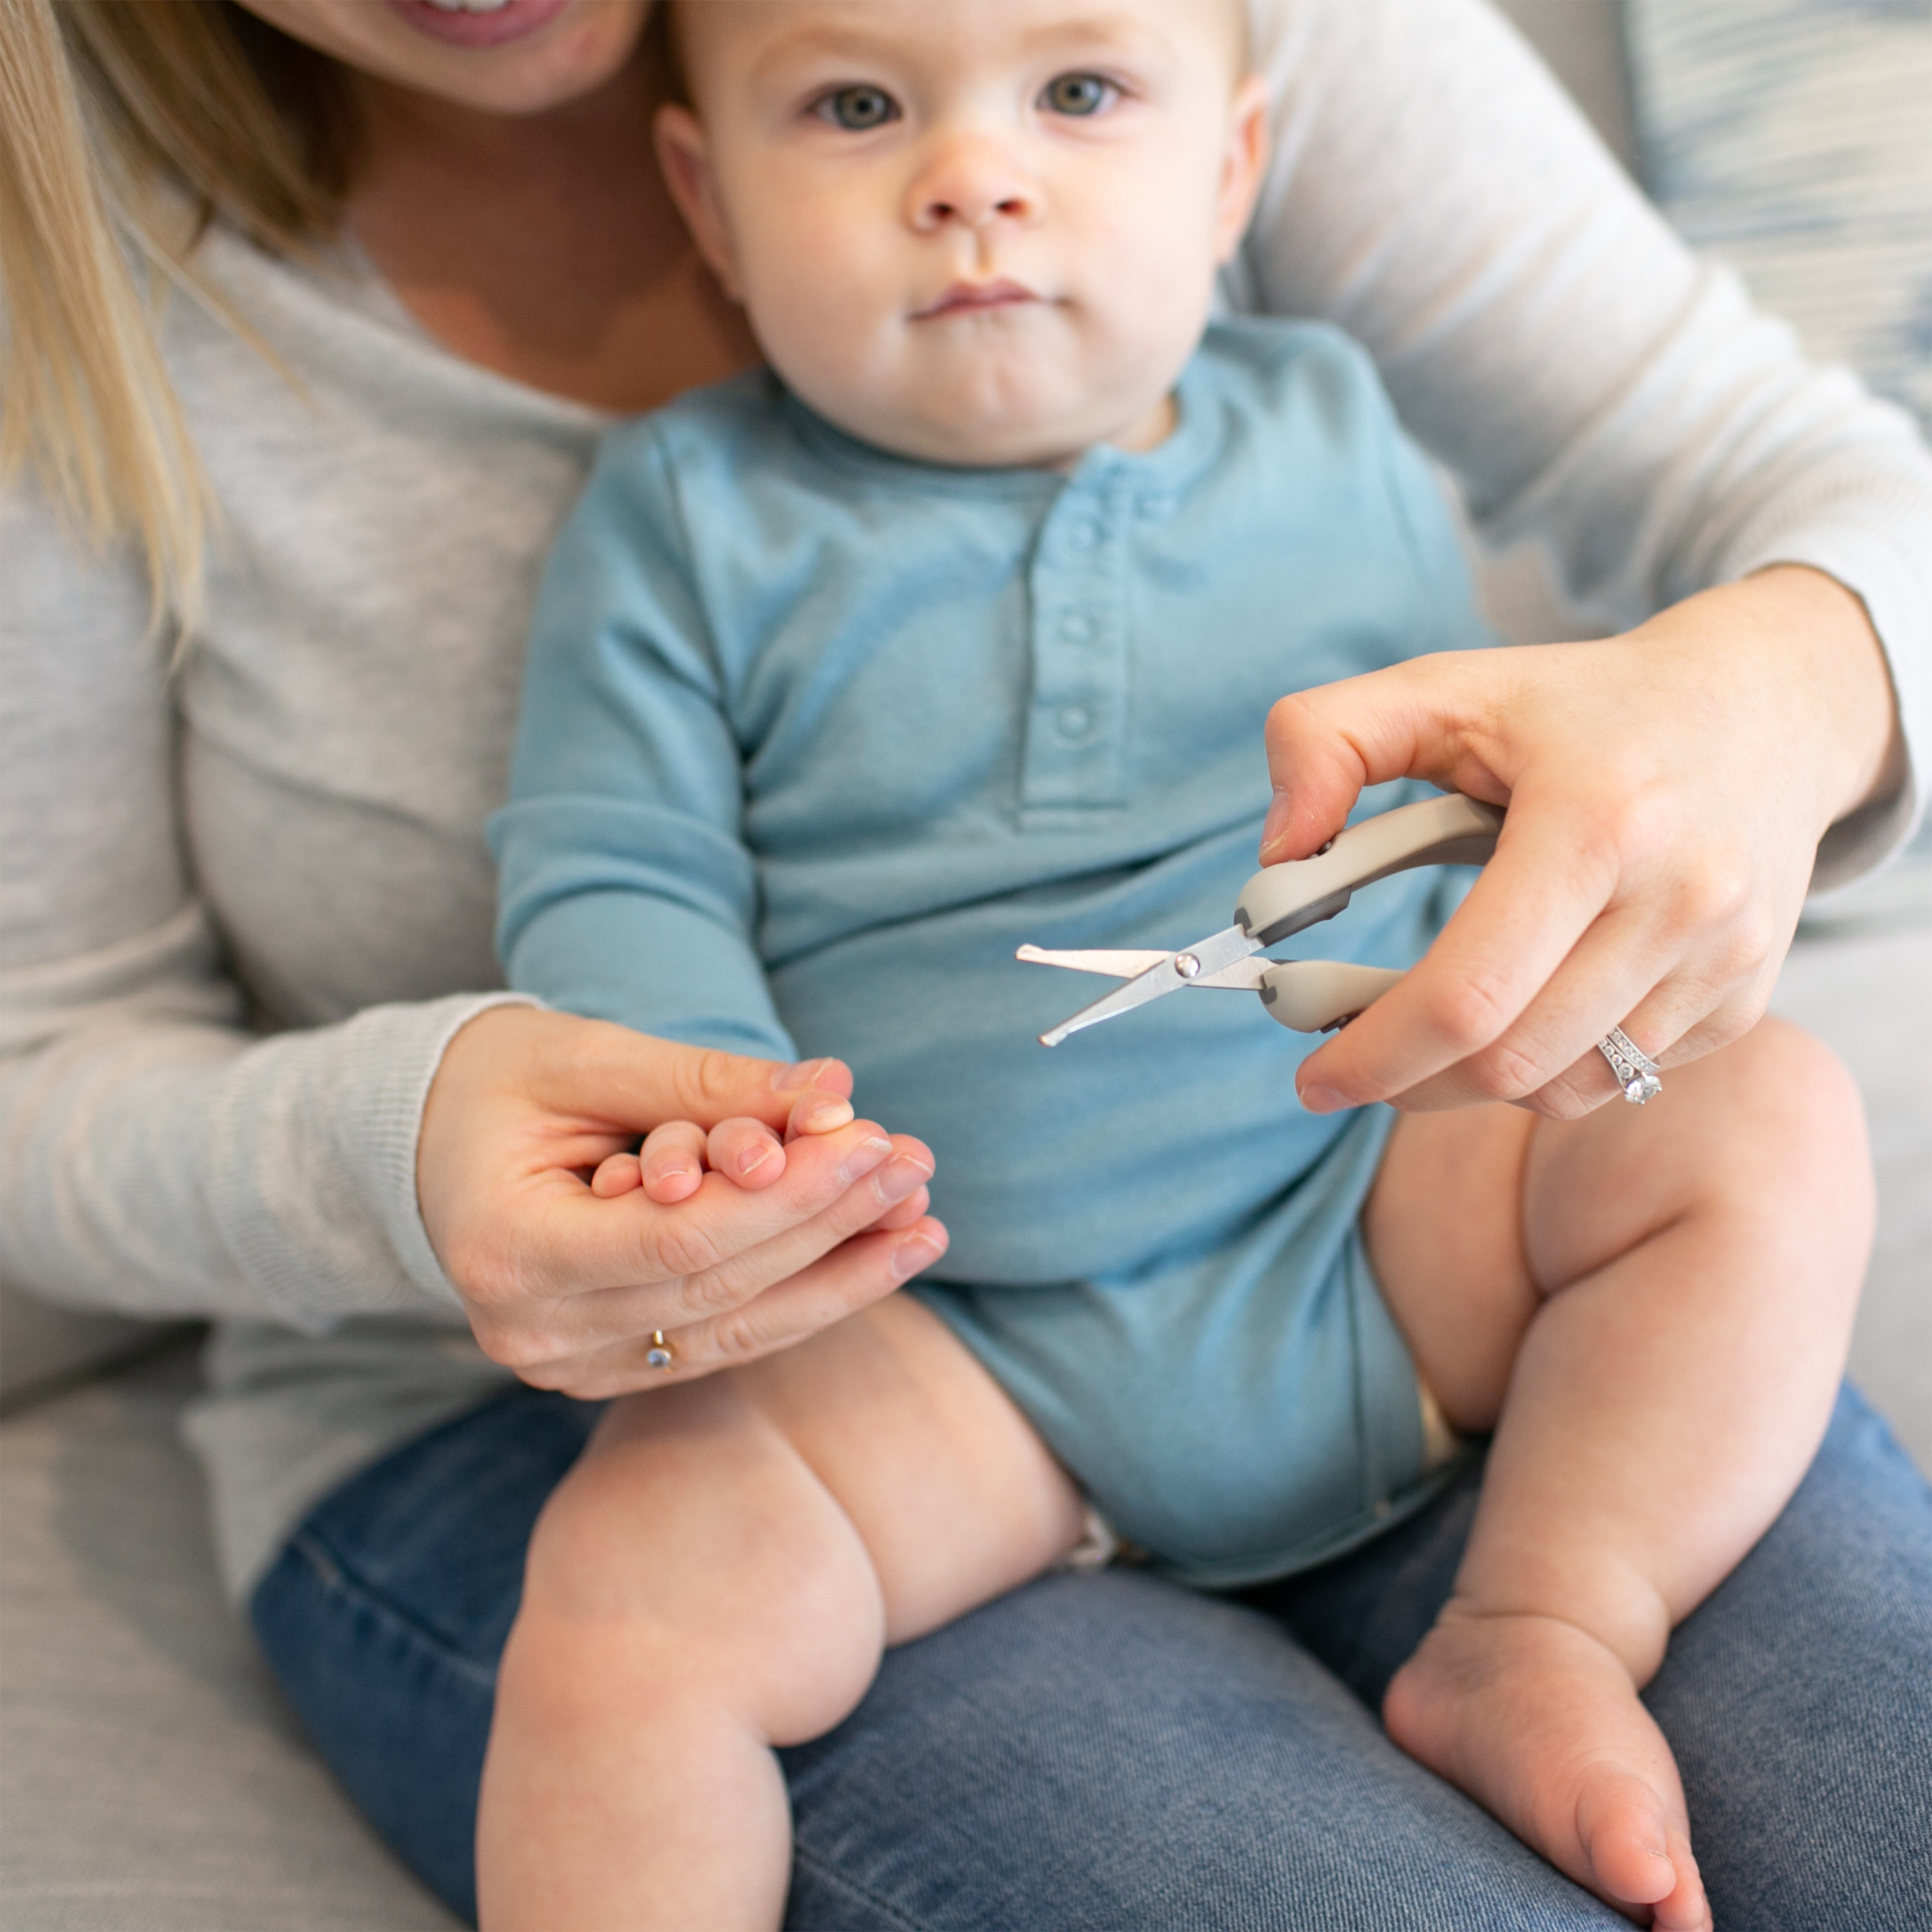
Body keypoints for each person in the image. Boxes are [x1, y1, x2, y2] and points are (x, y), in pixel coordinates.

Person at [1, 1, 1927, 1927]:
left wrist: (1731, 718)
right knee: (641, 1597)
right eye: (857, 109)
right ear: (709, 204)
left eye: (1077, 96)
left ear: (1236, 171)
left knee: (1762, 1118)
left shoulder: (1334, 415)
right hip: (926, 1323)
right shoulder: (682, 516)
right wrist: (706, 1139)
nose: (974, 179)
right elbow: (619, 871)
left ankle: (1548, 1620)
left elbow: (1727, 537)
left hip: (1373, 1216)